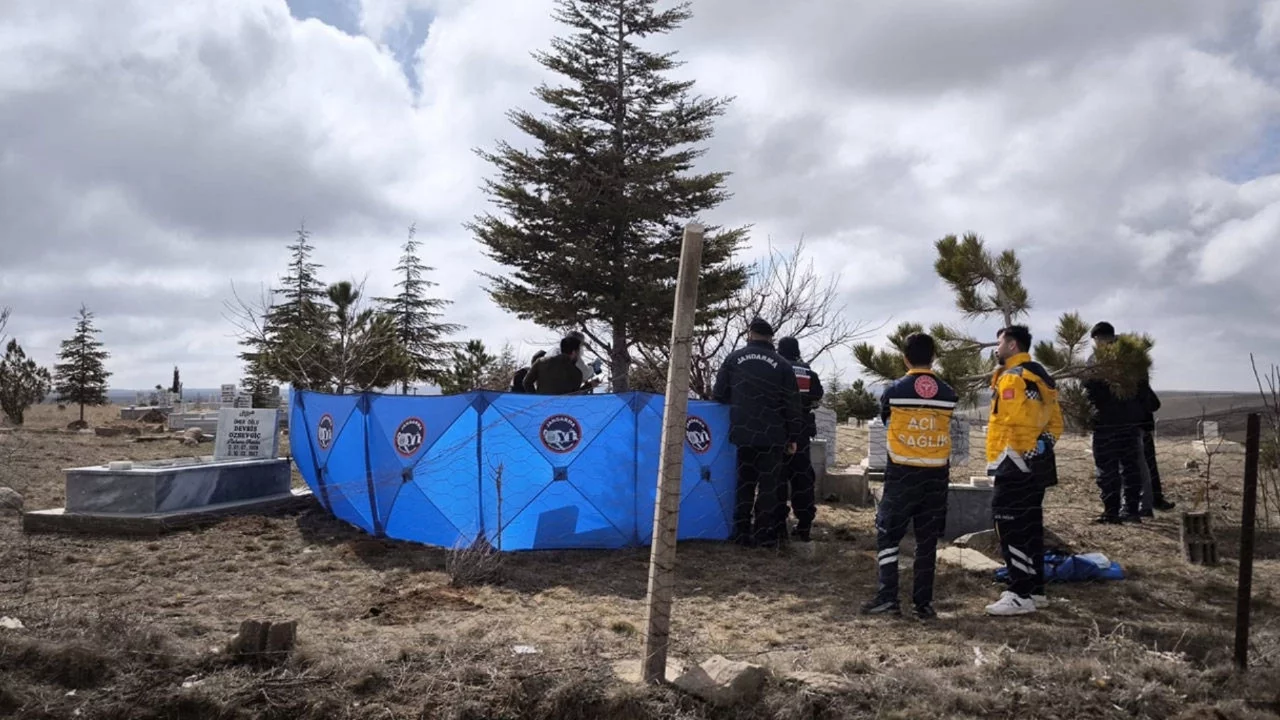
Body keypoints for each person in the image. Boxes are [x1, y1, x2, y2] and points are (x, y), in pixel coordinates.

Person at [860, 333, 957, 620]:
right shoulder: (948, 393)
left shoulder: (894, 390)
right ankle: (923, 604)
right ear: (934, 357)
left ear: (905, 357)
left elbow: (887, 420)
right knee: (927, 542)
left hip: (902, 471)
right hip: (937, 474)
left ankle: (888, 597)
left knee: (889, 535)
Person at [984, 325, 1063, 617]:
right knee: (1030, 524)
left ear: (1013, 345)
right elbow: (1056, 423)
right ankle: (1035, 588)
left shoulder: (1012, 378)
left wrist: (1015, 453)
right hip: (1036, 463)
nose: (996, 348)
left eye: (1000, 342)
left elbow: (1011, 420)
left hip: (1012, 461)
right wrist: (1041, 445)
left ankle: (1019, 592)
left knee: (1008, 524)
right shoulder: (1042, 378)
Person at [712, 317, 804, 548]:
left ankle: (741, 532)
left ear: (750, 334)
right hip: (773, 435)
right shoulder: (782, 364)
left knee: (744, 483)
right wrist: (793, 436)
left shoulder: (733, 359)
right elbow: (793, 403)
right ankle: (764, 534)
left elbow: (719, 394)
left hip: (743, 433)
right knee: (768, 487)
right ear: (771, 337)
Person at [1084, 321, 1146, 523]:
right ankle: (1131, 510)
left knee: (1107, 467)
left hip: (1106, 422)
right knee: (1130, 466)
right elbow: (1143, 388)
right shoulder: (1132, 356)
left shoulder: (1097, 360)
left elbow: (1091, 390)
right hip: (1131, 421)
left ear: (1098, 339)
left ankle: (1111, 511)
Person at [777, 336, 825, 542]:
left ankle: (778, 523)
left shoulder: (776, 367)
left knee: (777, 477)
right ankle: (804, 523)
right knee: (802, 477)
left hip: (778, 429)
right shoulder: (808, 372)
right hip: (802, 430)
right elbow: (817, 395)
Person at [1138, 380, 1175, 514]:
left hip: (1141, 431)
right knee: (1144, 468)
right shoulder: (1133, 385)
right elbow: (1154, 404)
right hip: (1137, 430)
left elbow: (1155, 404)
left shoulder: (1139, 385)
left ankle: (1152, 500)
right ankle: (1148, 501)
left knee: (1148, 467)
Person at [524, 336, 590, 395]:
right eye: (578, 352)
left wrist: (536, 398)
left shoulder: (541, 362)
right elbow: (574, 396)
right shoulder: (576, 373)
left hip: (541, 406)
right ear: (574, 352)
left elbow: (526, 382)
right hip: (562, 407)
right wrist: (588, 386)